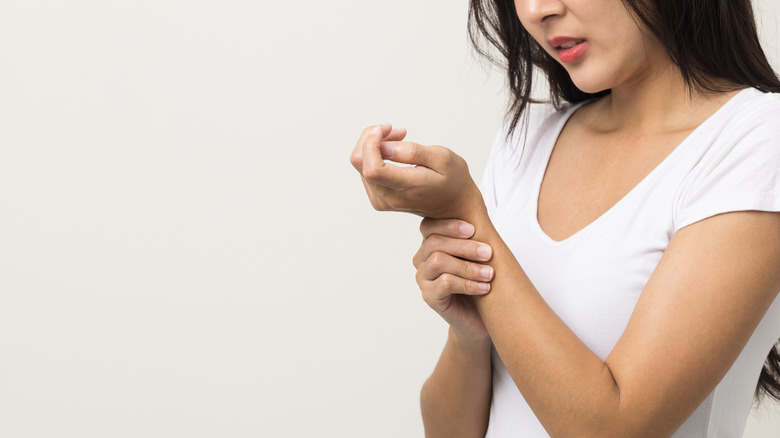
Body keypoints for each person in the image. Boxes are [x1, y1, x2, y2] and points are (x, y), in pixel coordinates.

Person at [349, 0, 780, 436]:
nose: (537, 10)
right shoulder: (529, 139)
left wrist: (464, 213)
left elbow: (614, 428)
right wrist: (471, 335)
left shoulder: (756, 140)